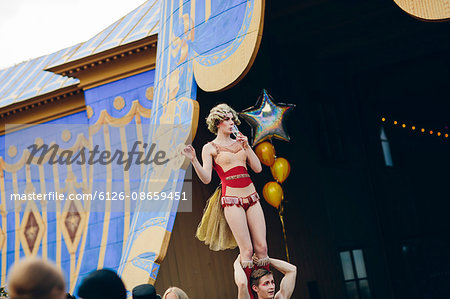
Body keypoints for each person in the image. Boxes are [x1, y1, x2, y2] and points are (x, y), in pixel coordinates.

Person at [182, 104, 269, 274]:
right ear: (217, 123)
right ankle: (251, 292)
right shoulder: (210, 148)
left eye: (232, 119)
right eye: (227, 119)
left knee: (262, 247)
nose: (232, 122)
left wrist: (247, 146)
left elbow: (258, 168)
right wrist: (193, 160)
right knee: (247, 250)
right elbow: (206, 179)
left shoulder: (241, 141)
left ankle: (266, 289)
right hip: (232, 200)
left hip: (252, 196)